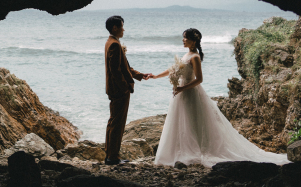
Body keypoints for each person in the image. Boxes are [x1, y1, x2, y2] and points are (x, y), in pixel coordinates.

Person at [151, 28, 289, 168]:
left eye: (185, 37)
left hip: (189, 93)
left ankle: (194, 151)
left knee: (191, 122)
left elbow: (199, 79)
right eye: (183, 37)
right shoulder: (185, 55)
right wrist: (156, 76)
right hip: (180, 94)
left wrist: (181, 88)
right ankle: (180, 151)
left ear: (194, 41)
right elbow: (173, 70)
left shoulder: (195, 57)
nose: (183, 40)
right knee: (180, 122)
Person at [103, 15, 153, 165]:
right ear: (115, 28)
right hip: (119, 90)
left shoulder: (110, 42)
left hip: (114, 89)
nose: (124, 29)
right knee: (117, 123)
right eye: (122, 26)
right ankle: (113, 157)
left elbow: (125, 66)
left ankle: (109, 155)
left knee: (113, 122)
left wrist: (139, 75)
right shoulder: (115, 45)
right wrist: (125, 87)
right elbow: (115, 70)